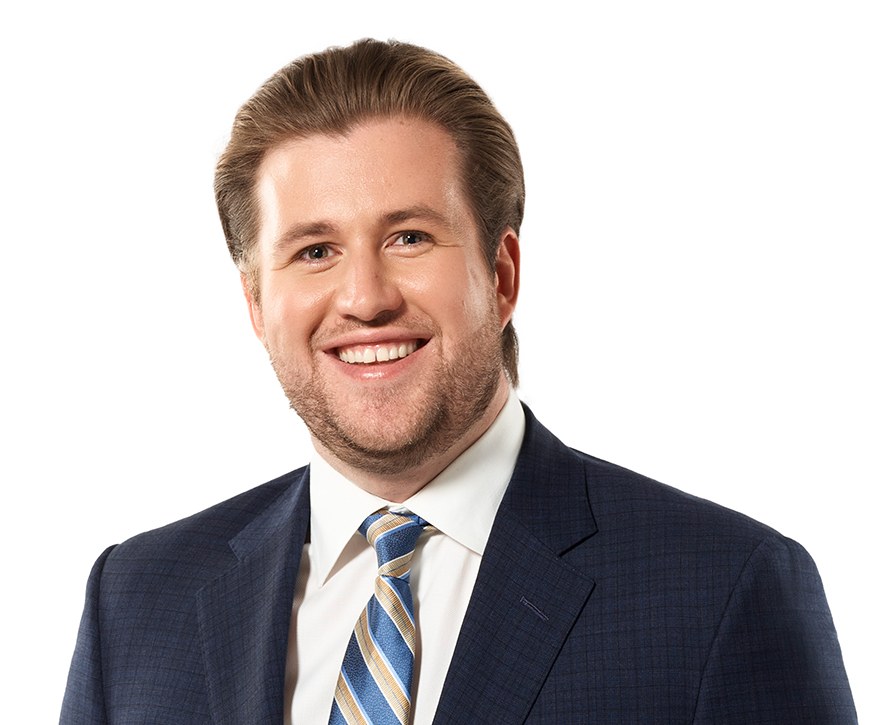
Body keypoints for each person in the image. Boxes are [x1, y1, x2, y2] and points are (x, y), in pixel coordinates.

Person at [61, 39, 857, 724]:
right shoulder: (135, 601)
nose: (365, 297)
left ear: (501, 274)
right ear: (256, 305)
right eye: (314, 251)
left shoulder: (723, 590)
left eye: (409, 237)